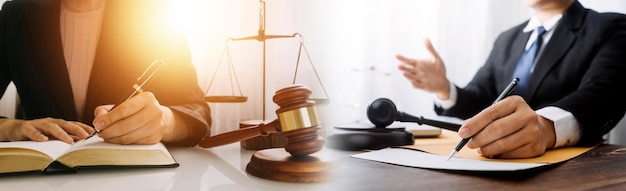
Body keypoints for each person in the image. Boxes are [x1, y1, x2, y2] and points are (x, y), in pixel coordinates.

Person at [396, 0, 626, 158]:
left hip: (571, 166)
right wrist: (445, 89)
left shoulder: (610, 26)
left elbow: (603, 92)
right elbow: (483, 100)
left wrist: (545, 129)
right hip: (497, 162)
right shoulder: (506, 39)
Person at [0, 0, 212, 147]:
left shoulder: (154, 15)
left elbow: (198, 112)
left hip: (134, 180)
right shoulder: (15, 15)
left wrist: (164, 122)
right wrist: (10, 128)